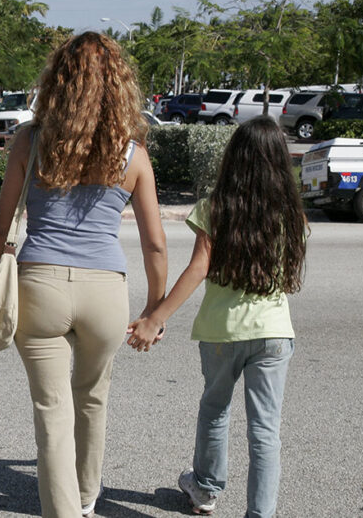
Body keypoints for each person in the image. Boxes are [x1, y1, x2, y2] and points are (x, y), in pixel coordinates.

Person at [0, 31, 167, 518]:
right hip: (106, 289)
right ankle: (85, 500)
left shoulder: (31, 140)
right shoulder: (133, 154)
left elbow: (0, 225)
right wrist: (155, 309)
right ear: (119, 84)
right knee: (92, 399)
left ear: (57, 80)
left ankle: (62, 512)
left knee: (51, 410)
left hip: (39, 283)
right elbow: (154, 244)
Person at [127, 117, 307, 517]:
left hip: (222, 332)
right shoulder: (292, 213)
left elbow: (198, 268)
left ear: (235, 157)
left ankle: (206, 490)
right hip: (275, 332)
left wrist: (155, 318)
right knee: (265, 432)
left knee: (215, 410)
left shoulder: (217, 207)